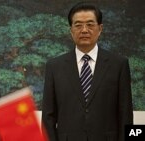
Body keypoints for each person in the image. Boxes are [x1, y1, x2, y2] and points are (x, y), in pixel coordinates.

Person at [42, 2, 133, 141]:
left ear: (100, 28)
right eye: (78, 25)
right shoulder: (54, 66)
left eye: (90, 24)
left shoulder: (119, 64)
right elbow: (48, 117)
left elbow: (126, 115)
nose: (84, 30)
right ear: (71, 30)